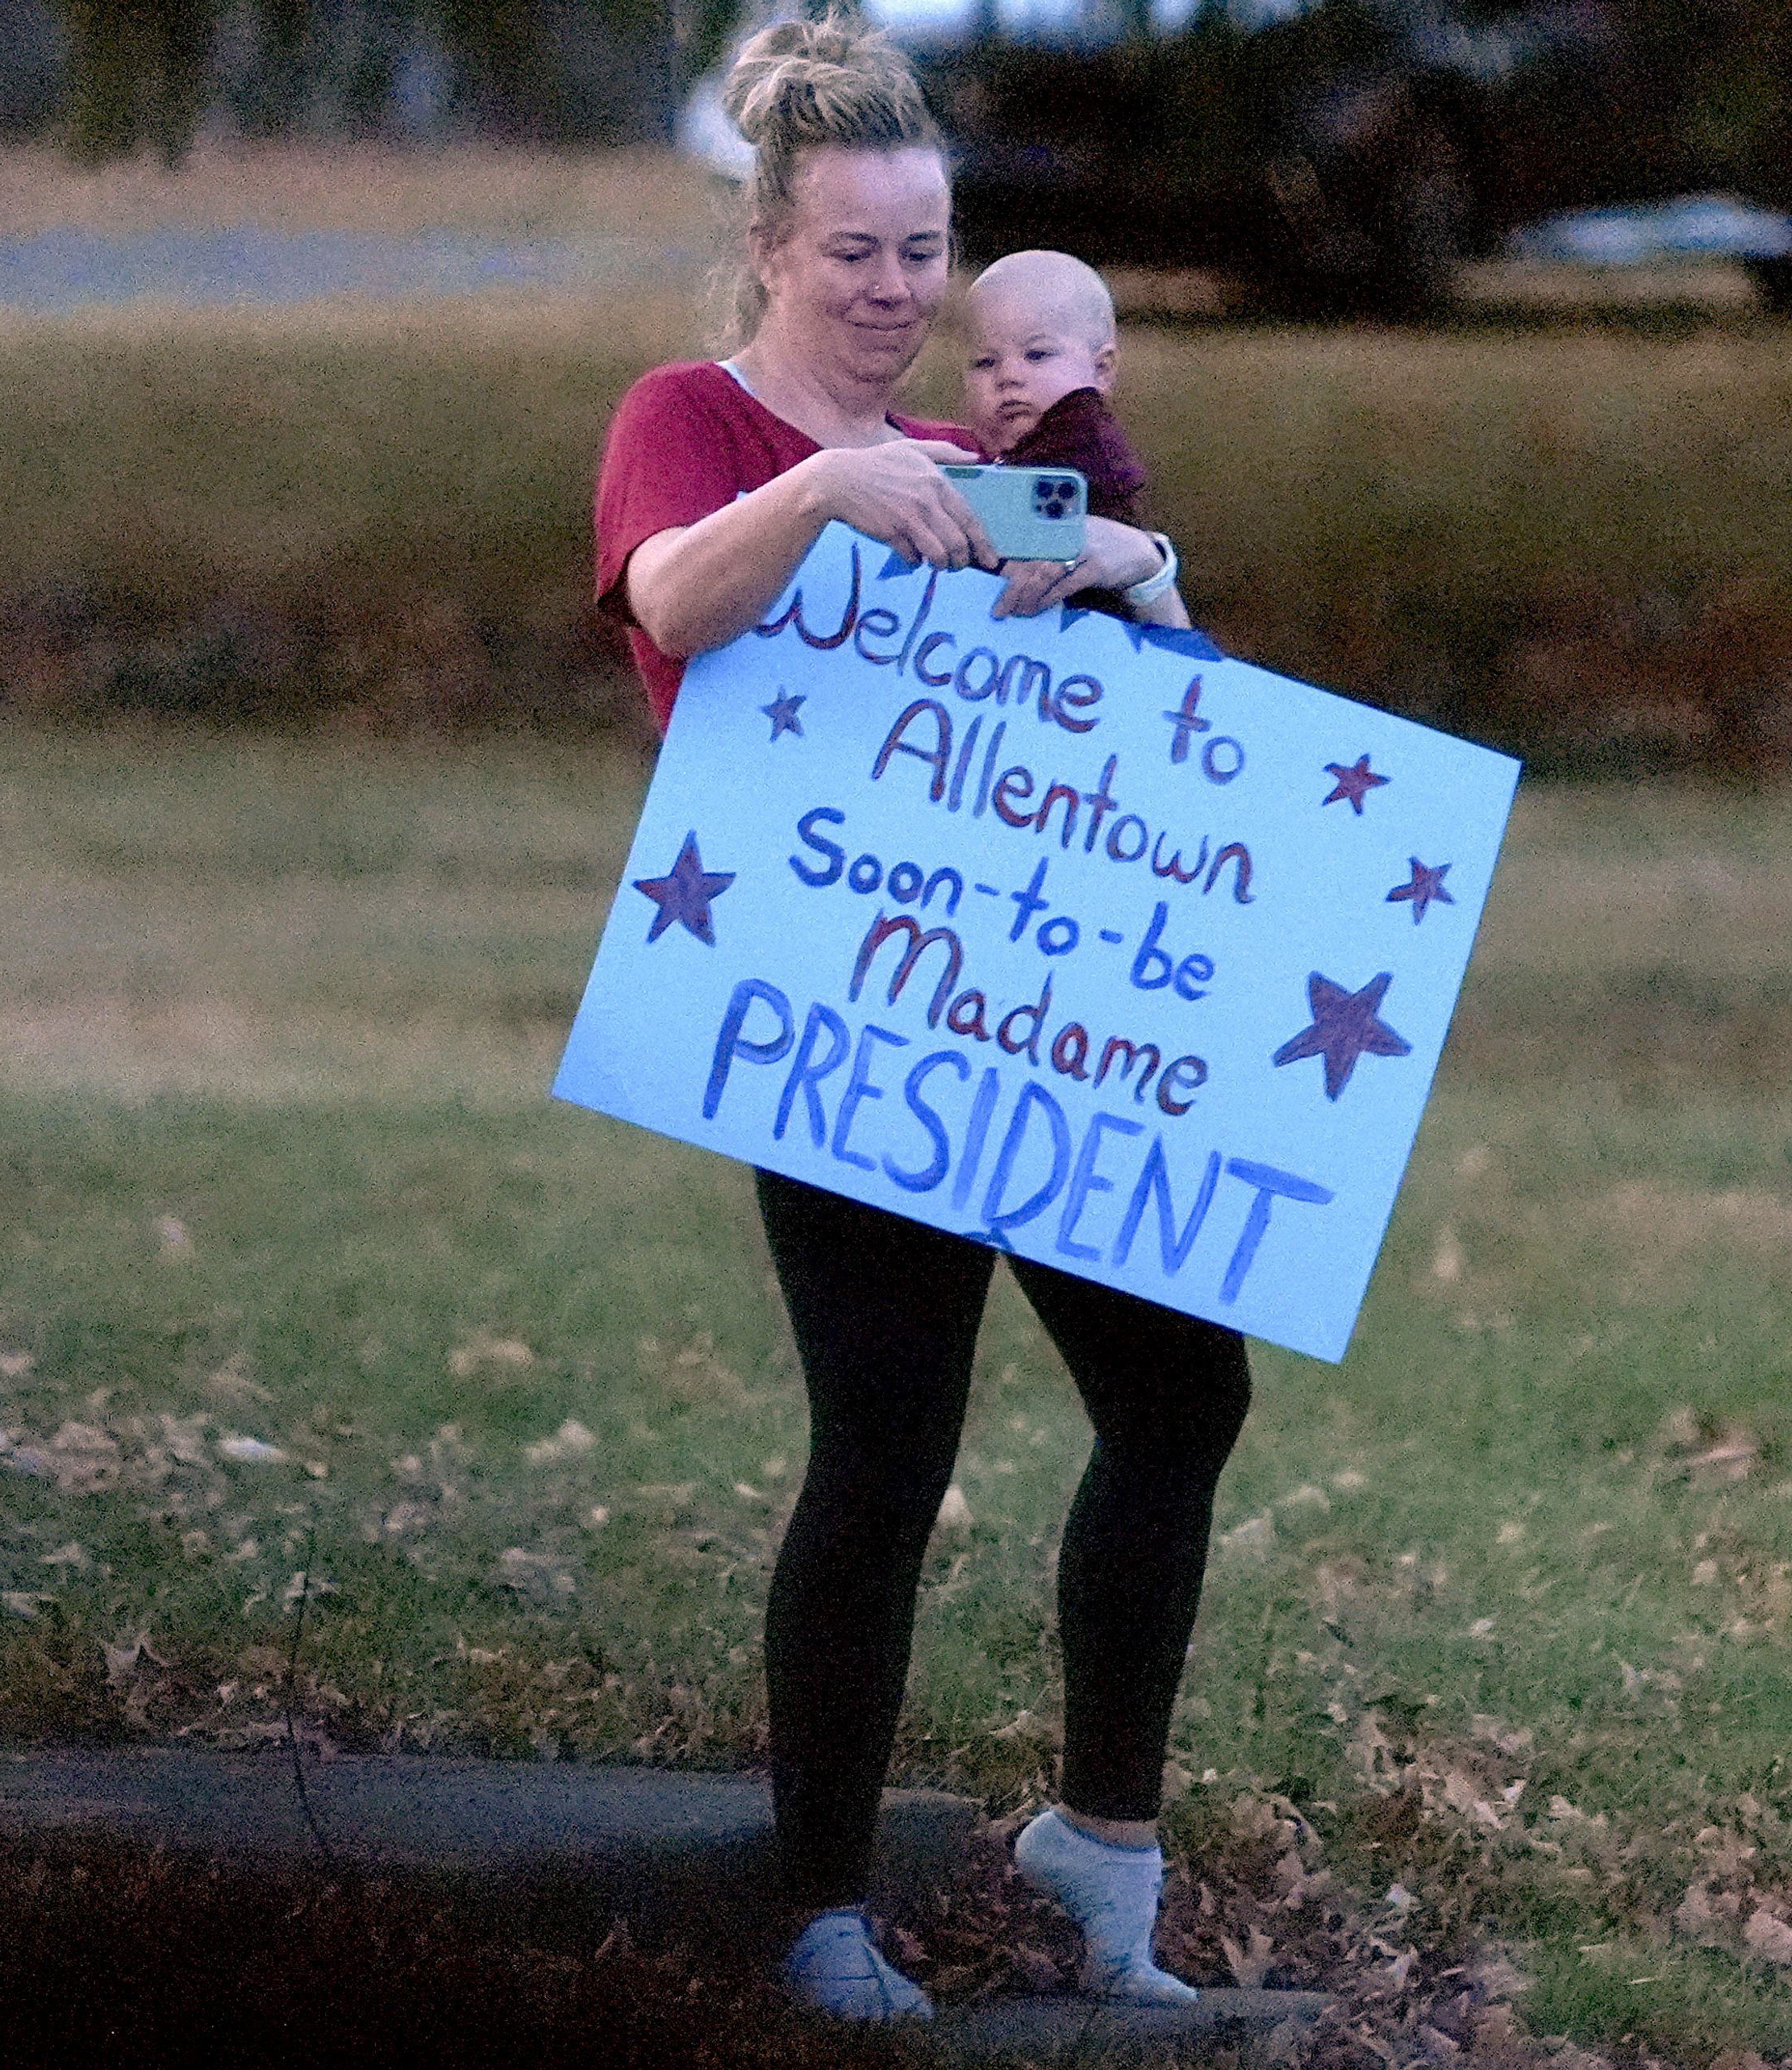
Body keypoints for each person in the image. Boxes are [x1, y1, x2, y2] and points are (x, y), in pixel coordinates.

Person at [587, 12, 1243, 2026]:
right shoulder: (691, 419)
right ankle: (818, 1905)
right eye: (853, 251)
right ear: (771, 245)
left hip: (1024, 1016)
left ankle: (1103, 1849)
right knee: (885, 1440)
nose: (891, 291)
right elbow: (670, 598)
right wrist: (829, 493)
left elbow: (1160, 656)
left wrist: (1139, 561)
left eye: (919, 253)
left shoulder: (983, 462)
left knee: (1178, 1392)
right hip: (828, 1011)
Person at [957, 248, 1189, 630]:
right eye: (985, 362)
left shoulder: (1082, 432)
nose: (1007, 376)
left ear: (1102, 369)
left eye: (1037, 354)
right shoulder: (974, 451)